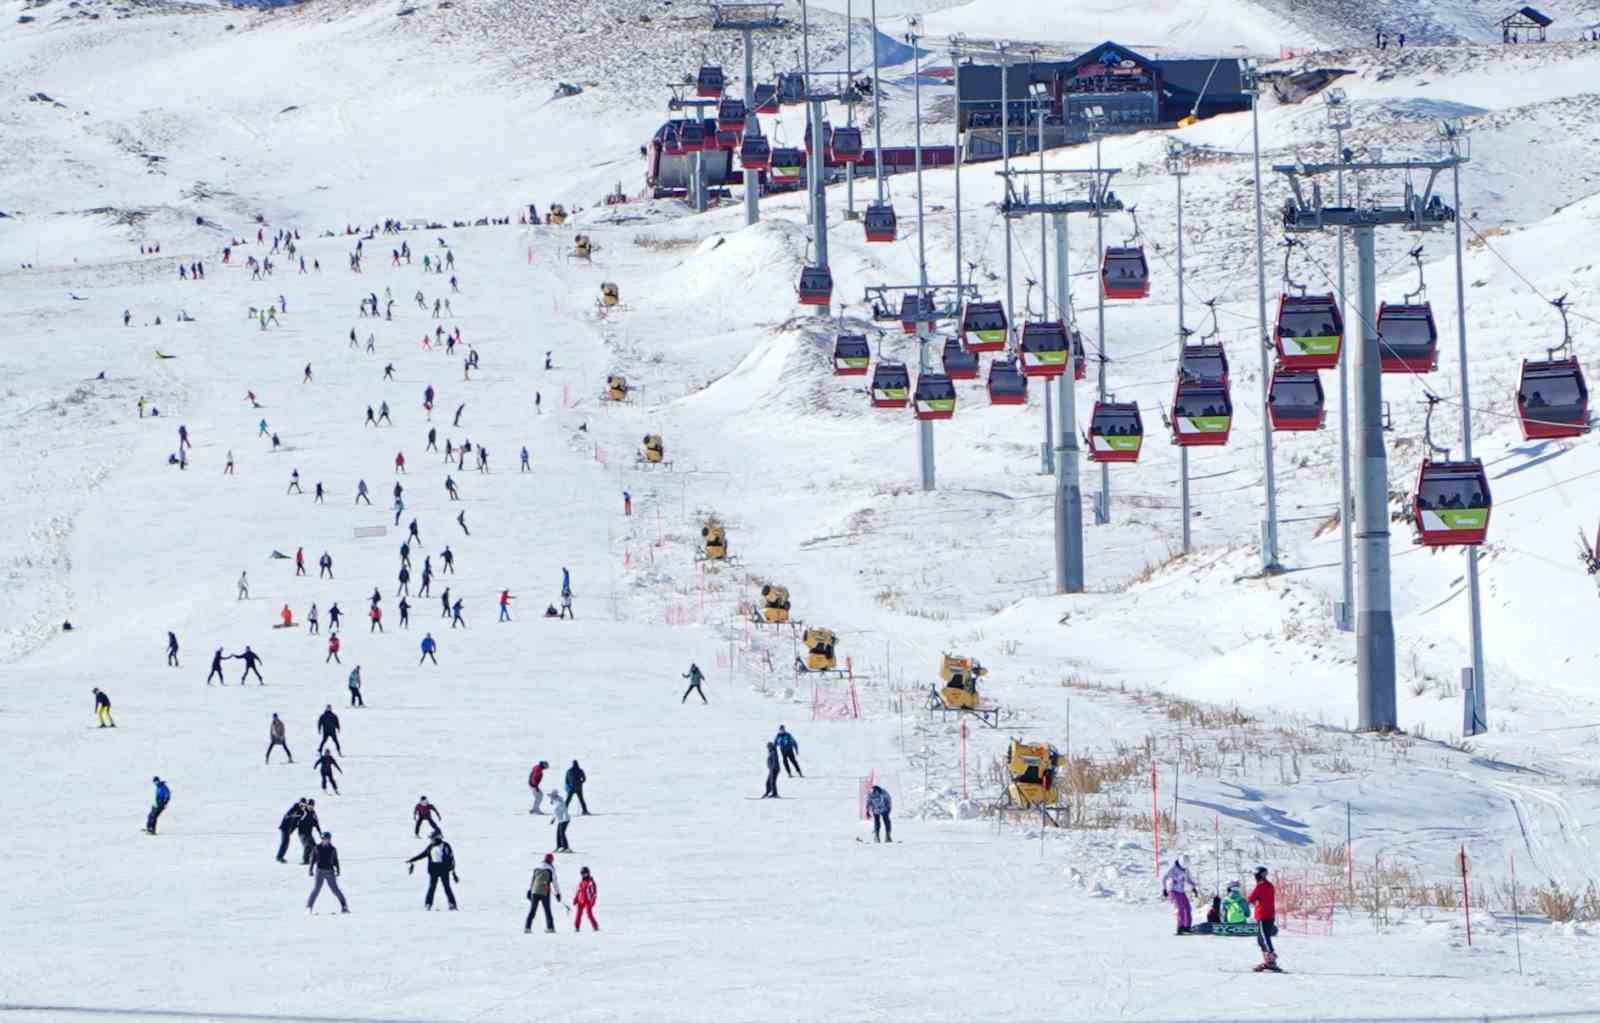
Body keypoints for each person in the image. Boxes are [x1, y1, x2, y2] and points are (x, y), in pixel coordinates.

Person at [406, 833, 459, 911]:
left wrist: (453, 871)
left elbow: (451, 858)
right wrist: (413, 859)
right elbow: (423, 854)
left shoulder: (445, 846)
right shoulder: (430, 847)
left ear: (437, 838)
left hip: (444, 869)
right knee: (432, 887)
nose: (431, 840)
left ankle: (452, 904)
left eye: (432, 838)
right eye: (431, 838)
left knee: (447, 887)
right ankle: (428, 904)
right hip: (433, 869)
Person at [306, 832, 350, 914]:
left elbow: (336, 860)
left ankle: (344, 906)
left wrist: (338, 869)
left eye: (326, 839)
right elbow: (312, 859)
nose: (324, 840)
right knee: (316, 889)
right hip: (319, 871)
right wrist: (311, 870)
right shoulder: (317, 848)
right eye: (323, 839)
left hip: (330, 871)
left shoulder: (333, 849)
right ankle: (309, 907)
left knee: (335, 890)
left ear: (329, 840)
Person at [1248, 866, 1281, 971]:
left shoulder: (1261, 886)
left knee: (1264, 938)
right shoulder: (1270, 885)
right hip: (1269, 915)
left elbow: (1250, 898)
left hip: (1263, 915)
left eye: (1256, 875)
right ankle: (1269, 962)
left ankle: (1271, 956)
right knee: (1261, 940)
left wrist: (1253, 901)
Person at [525, 854, 561, 934]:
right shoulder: (551, 869)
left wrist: (529, 891)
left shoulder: (537, 868)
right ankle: (550, 928)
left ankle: (527, 927)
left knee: (532, 910)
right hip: (545, 892)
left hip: (534, 891)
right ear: (551, 860)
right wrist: (558, 894)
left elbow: (533, 880)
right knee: (547, 910)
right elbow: (555, 882)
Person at [1163, 858, 1199, 935]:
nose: (1184, 869)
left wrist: (1194, 888)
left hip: (1181, 891)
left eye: (1185, 868)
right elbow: (1164, 878)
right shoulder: (1172, 868)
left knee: (1187, 908)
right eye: (1183, 868)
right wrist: (1165, 889)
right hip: (1172, 890)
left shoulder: (1186, 869)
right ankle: (1180, 927)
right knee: (1180, 908)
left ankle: (1187, 927)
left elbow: (1188, 880)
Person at [276, 798, 306, 862]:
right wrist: (293, 815)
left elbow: (296, 823)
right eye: (301, 804)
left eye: (304, 804)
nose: (302, 806)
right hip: (285, 827)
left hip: (289, 829)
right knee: (285, 842)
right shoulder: (295, 807)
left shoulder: (302, 812)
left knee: (286, 843)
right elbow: (287, 815)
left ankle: (280, 856)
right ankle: (279, 857)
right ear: (299, 803)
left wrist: (292, 830)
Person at [573, 866, 598, 932]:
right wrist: (575, 898)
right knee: (578, 914)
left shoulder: (591, 882)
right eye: (582, 874)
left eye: (585, 874)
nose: (584, 875)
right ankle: (576, 927)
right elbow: (578, 891)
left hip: (588, 901)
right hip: (580, 900)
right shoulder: (581, 882)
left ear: (588, 873)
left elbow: (594, 893)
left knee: (589, 914)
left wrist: (592, 901)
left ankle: (595, 926)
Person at [296, 799, 322, 864]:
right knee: (307, 846)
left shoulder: (313, 813)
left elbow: (316, 823)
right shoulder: (303, 812)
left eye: (312, 806)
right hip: (302, 833)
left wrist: (320, 832)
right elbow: (296, 820)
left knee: (314, 846)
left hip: (309, 833)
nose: (311, 807)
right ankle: (305, 860)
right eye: (309, 806)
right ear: (307, 805)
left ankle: (315, 859)